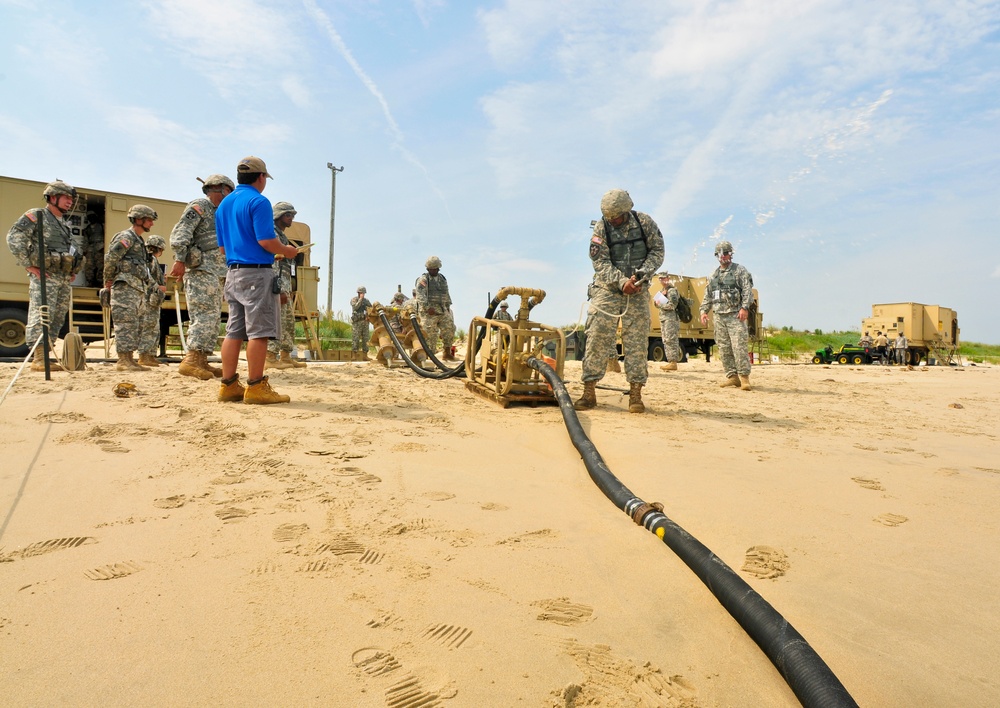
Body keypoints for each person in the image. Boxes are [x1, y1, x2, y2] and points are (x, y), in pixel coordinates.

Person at [214, 156, 298, 404]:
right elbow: (266, 242)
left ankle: (228, 386)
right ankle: (256, 386)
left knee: (234, 331)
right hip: (257, 273)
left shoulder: (224, 205)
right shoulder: (259, 202)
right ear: (261, 177)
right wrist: (286, 250)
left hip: (233, 273)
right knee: (259, 333)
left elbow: (222, 249)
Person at [574, 188, 664, 413]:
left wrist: (642, 274)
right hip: (607, 289)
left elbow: (657, 252)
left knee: (637, 342)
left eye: (616, 218)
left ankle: (635, 394)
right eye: (609, 217)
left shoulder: (645, 223)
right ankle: (589, 391)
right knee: (596, 337)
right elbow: (600, 262)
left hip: (638, 289)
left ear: (627, 210)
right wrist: (621, 281)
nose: (612, 221)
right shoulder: (601, 227)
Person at [5, 180, 85, 372]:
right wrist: (28, 264)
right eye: (66, 198)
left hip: (62, 278)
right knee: (42, 314)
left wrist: (72, 270)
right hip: (46, 276)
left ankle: (46, 356)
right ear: (53, 197)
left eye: (71, 199)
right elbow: (14, 237)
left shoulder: (63, 225)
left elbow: (68, 250)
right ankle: (39, 358)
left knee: (57, 317)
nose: (70, 202)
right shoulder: (37, 215)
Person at [169, 174, 235, 381]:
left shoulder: (219, 213)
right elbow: (181, 233)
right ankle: (191, 360)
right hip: (201, 271)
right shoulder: (199, 206)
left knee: (213, 318)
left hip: (215, 273)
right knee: (204, 316)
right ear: (221, 189)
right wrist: (180, 259)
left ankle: (202, 360)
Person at [104, 205, 158, 371]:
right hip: (125, 286)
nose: (151, 224)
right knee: (125, 322)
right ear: (138, 219)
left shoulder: (138, 240)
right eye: (149, 220)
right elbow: (111, 258)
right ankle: (123, 360)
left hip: (136, 287)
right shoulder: (126, 237)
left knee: (135, 323)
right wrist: (108, 282)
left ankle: (129, 358)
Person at [699, 240, 754, 390]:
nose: (723, 256)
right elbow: (708, 295)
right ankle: (732, 377)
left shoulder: (739, 271)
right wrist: (704, 311)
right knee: (724, 348)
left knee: (739, 347)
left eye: (726, 253)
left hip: (736, 315)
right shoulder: (713, 275)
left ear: (731, 254)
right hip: (719, 317)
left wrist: (744, 307)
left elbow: (747, 291)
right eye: (720, 254)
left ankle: (744, 378)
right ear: (716, 256)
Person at [265, 201, 305, 370]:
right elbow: (275, 265)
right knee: (275, 321)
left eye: (293, 216)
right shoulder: (271, 234)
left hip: (285, 285)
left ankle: (286, 356)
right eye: (289, 215)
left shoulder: (281, 236)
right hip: (277, 285)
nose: (291, 219)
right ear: (279, 216)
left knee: (287, 321)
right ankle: (270, 357)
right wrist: (279, 288)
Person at [415, 255, 456, 361]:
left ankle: (447, 352)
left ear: (438, 268)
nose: (433, 270)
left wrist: (447, 307)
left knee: (450, 328)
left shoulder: (442, 279)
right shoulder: (423, 279)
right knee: (430, 335)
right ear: (428, 269)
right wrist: (428, 308)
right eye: (431, 269)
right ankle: (429, 356)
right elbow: (420, 295)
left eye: (435, 268)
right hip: (428, 312)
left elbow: (446, 293)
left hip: (441, 310)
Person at [137, 234, 167, 367]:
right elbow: (146, 278)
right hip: (149, 299)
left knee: (154, 327)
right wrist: (157, 286)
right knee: (148, 327)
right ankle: (144, 355)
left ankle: (150, 354)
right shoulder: (149, 260)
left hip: (153, 299)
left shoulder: (151, 260)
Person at [653, 273, 682, 371]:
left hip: (671, 319)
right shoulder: (662, 291)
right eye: (660, 279)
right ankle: (670, 361)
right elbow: (655, 303)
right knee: (665, 340)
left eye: (664, 278)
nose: (662, 280)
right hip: (664, 318)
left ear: (668, 279)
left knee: (671, 339)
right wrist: (660, 299)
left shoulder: (672, 291)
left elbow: (672, 306)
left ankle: (673, 362)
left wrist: (660, 303)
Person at [350, 286, 372, 357]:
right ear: (358, 293)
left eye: (363, 293)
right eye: (361, 293)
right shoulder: (354, 299)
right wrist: (360, 299)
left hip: (365, 322)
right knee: (355, 338)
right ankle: (354, 355)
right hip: (357, 322)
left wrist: (368, 315)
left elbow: (371, 309)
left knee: (366, 339)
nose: (363, 294)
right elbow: (355, 307)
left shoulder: (366, 301)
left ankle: (365, 356)